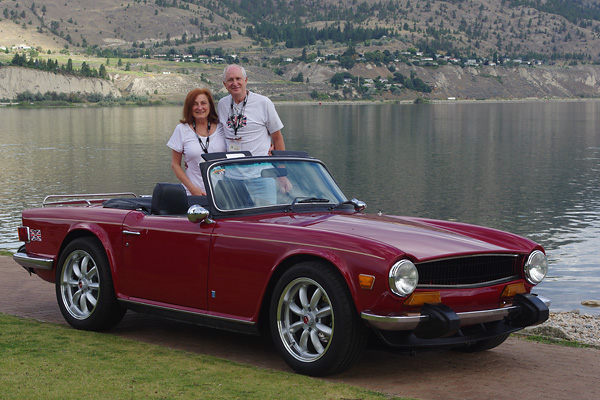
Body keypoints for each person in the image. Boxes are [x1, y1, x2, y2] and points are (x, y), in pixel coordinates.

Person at [217, 65, 292, 203]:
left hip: (261, 177)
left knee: (266, 220)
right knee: (233, 222)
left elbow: (277, 138)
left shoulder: (264, 103)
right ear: (225, 85)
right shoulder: (222, 105)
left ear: (245, 80)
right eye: (230, 80)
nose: (235, 83)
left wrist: (281, 173)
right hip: (232, 179)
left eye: (238, 79)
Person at [168, 88, 226, 196]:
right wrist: (192, 189)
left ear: (210, 106)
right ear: (189, 108)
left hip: (221, 192)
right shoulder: (182, 129)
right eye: (195, 104)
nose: (200, 107)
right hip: (193, 193)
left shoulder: (222, 127)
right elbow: (175, 164)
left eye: (203, 103)